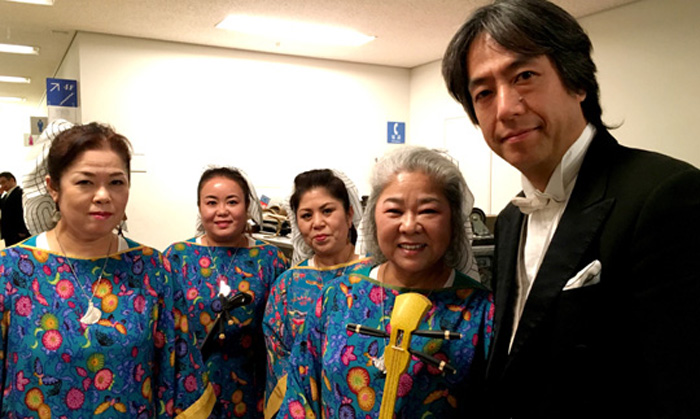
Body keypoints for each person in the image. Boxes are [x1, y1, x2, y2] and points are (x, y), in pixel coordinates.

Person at [442, 0, 700, 417]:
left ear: (577, 82)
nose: (505, 108)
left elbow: (680, 387)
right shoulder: (510, 220)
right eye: (484, 93)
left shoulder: (665, 194)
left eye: (524, 76)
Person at [0, 122, 215, 417]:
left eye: (116, 182)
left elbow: (179, 375)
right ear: (53, 187)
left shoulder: (153, 270)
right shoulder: (12, 271)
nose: (103, 195)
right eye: (85, 182)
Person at [277, 146, 494, 418]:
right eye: (394, 211)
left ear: (453, 220)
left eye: (428, 211)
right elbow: (300, 394)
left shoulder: (481, 312)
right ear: (374, 219)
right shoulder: (339, 297)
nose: (409, 225)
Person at [164, 167, 289, 418]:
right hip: (192, 388)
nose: (222, 211)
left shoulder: (270, 258)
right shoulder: (177, 257)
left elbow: (280, 332)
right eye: (212, 202)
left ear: (247, 206)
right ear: (200, 207)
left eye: (232, 202)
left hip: (252, 388)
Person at [263, 169, 372, 418]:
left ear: (349, 214)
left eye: (327, 211)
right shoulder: (288, 285)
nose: (317, 223)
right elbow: (278, 356)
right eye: (306, 215)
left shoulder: (376, 277)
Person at [0, 171, 30, 246]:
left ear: (12, 180)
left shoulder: (20, 192)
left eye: (4, 182)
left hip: (19, 233)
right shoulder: (5, 196)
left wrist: (23, 230)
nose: (2, 185)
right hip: (9, 234)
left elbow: (23, 211)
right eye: (0, 184)